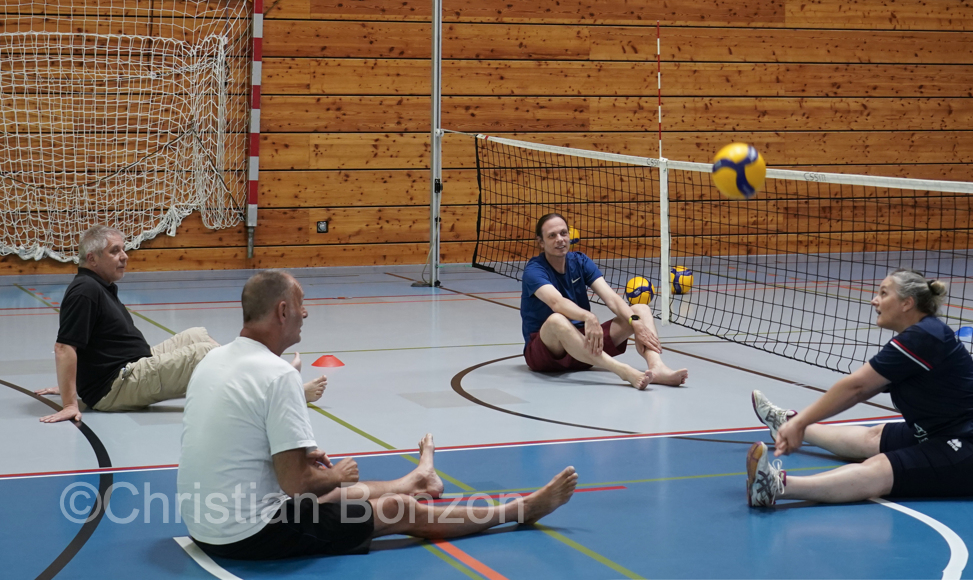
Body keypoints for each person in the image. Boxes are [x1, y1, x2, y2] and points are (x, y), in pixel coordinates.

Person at [178, 270, 578, 560]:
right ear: (282, 311)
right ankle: (520, 510)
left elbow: (242, 443)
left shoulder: (214, 360)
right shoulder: (277, 372)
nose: (306, 314)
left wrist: (308, 466)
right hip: (248, 535)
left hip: (203, 522)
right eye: (302, 306)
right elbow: (298, 484)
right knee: (395, 511)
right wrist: (333, 473)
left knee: (335, 494)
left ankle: (415, 479)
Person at [745, 269, 973, 508]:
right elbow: (860, 387)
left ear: (907, 303)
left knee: (878, 469)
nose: (874, 300)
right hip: (943, 430)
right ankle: (785, 423)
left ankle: (775, 487)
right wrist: (798, 424)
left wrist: (804, 420)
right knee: (874, 436)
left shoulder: (924, 337)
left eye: (883, 293)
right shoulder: (920, 335)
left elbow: (857, 387)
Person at [37, 225, 326, 424]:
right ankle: (283, 388)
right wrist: (69, 401)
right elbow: (65, 347)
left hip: (133, 365)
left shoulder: (97, 285)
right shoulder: (85, 291)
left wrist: (71, 384)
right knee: (203, 356)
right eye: (115, 251)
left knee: (196, 336)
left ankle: (260, 372)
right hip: (118, 384)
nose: (124, 256)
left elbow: (85, 346)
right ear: (92, 258)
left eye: (123, 250)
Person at [520, 213, 687, 389]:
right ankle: (623, 371)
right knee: (556, 320)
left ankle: (657, 367)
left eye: (563, 233)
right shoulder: (534, 270)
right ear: (541, 242)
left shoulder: (580, 261)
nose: (560, 239)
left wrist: (635, 322)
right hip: (547, 355)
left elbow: (612, 298)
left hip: (584, 350)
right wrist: (589, 317)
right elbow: (557, 303)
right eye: (552, 236)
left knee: (640, 310)